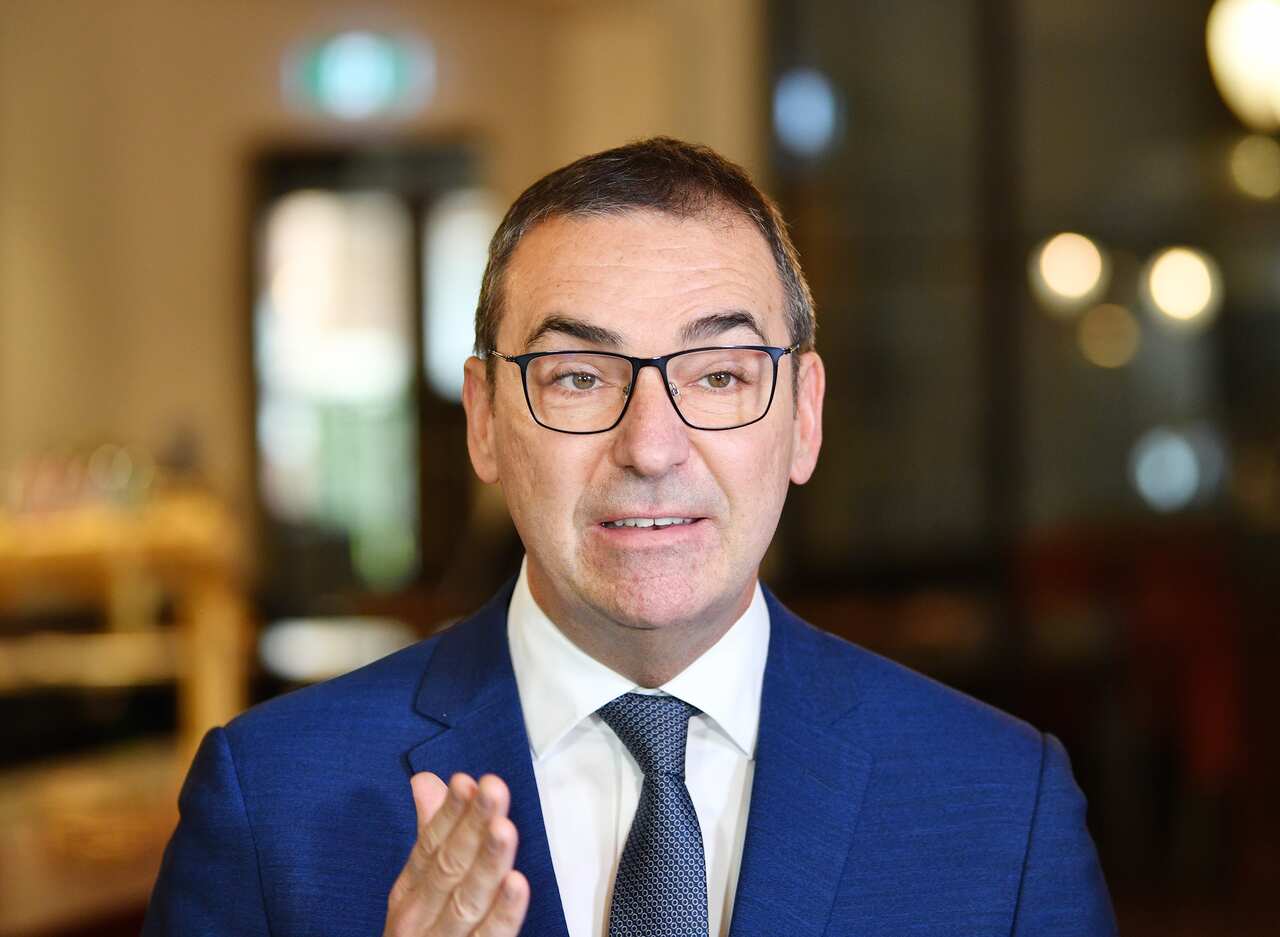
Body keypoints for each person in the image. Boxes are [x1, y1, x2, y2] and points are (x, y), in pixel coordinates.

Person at [143, 137, 1116, 937]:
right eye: (576, 378)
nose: (650, 446)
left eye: (720, 376)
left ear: (803, 416)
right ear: (483, 418)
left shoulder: (998, 802)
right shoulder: (271, 803)